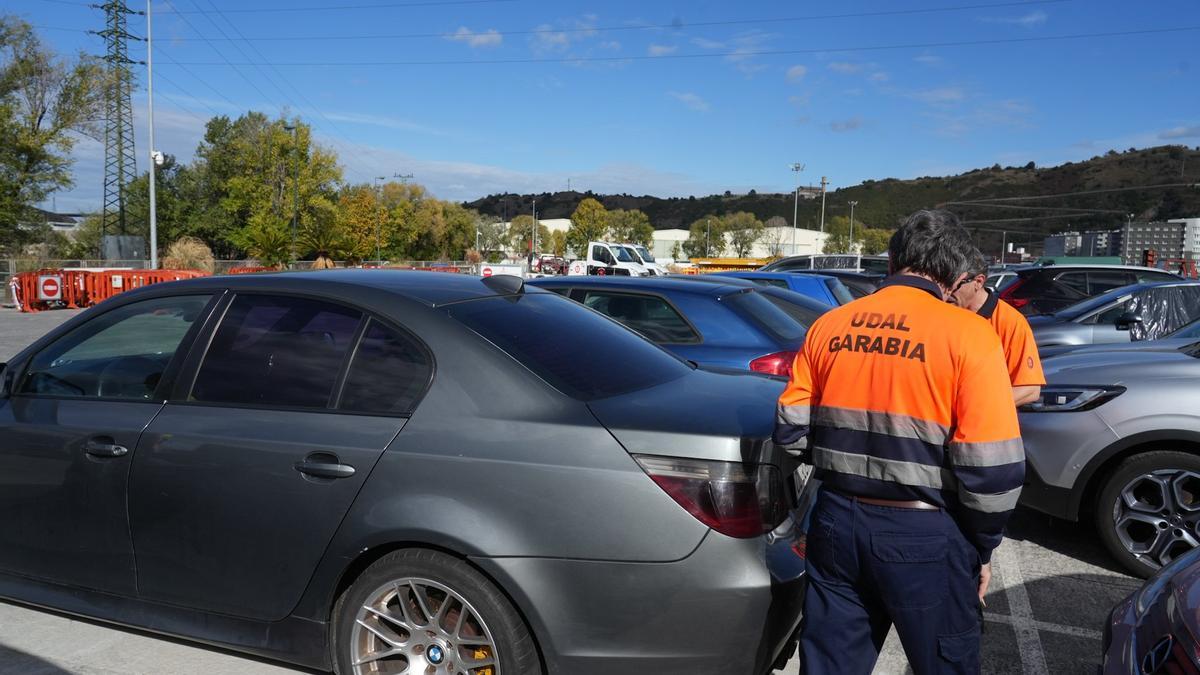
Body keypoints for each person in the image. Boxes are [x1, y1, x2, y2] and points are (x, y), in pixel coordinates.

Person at [775, 210, 1024, 675]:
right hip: (927, 533)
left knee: (830, 664)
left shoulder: (830, 325)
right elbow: (993, 473)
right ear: (953, 272)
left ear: (891, 260)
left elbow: (790, 434)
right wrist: (982, 549)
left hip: (835, 522)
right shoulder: (971, 335)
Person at [950, 250, 1045, 406]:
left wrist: (971, 407)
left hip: (980, 422)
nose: (946, 291)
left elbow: (1029, 389)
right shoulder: (942, 312)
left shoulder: (1010, 322)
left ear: (978, 282)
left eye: (955, 285)